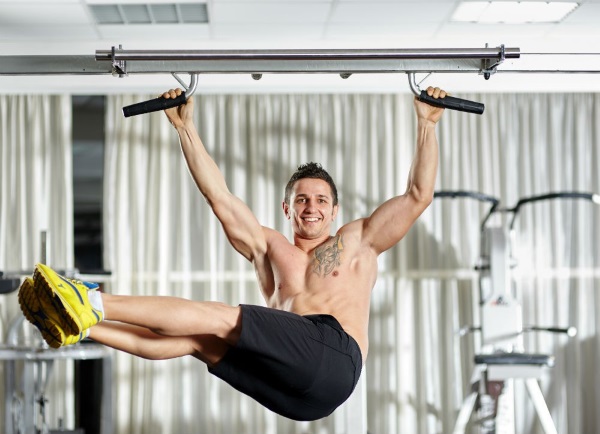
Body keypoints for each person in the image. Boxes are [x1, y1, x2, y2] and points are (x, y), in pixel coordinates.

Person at [19, 86, 447, 421]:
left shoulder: (357, 242)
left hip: (337, 360)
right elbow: (219, 197)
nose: (311, 207)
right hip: (301, 401)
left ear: (335, 210)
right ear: (287, 208)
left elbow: (417, 195)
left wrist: (426, 124)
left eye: (320, 200)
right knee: (196, 342)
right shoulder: (268, 249)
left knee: (222, 316)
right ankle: (78, 327)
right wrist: (185, 129)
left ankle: (90, 300)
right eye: (301, 200)